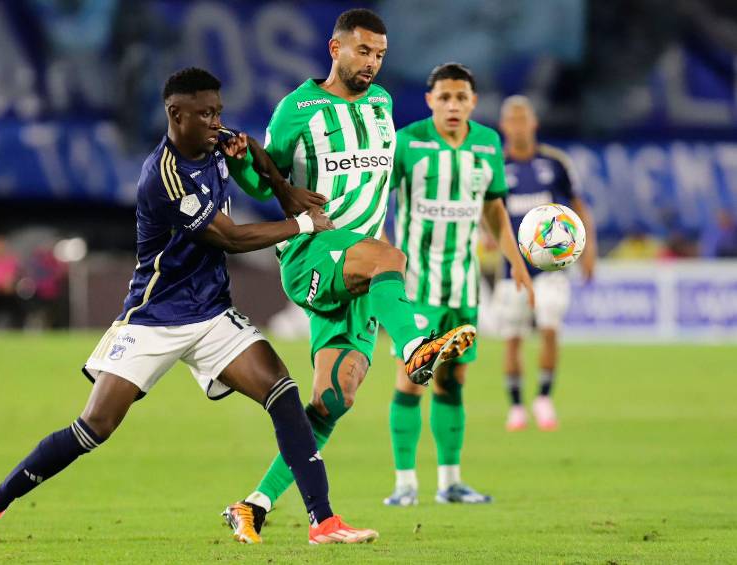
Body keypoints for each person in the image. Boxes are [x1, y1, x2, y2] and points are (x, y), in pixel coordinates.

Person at [0, 67, 377, 547]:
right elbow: (232, 238)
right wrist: (303, 224)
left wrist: (280, 188)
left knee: (282, 393)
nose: (216, 122)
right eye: (204, 114)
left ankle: (322, 521)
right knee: (94, 426)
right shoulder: (164, 176)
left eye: (218, 111)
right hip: (155, 318)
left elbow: (254, 150)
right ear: (176, 115)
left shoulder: (216, 140)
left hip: (214, 313)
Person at [223, 9, 477, 541]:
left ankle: (255, 504)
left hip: (359, 273)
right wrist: (243, 160)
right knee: (392, 257)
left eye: (381, 55)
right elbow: (265, 179)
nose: (373, 64)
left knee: (335, 398)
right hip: (313, 251)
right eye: (364, 52)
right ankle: (414, 347)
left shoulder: (382, 104)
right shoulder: (298, 109)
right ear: (335, 49)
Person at [383, 63, 534, 507]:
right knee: (413, 379)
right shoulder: (407, 143)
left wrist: (517, 262)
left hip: (463, 288)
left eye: (461, 97)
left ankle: (450, 482)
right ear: (430, 100)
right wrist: (385, 253)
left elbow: (494, 211)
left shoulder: (487, 145)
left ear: (473, 102)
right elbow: (376, 201)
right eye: (444, 97)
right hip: (417, 288)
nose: (453, 105)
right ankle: (405, 483)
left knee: (453, 381)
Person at [496, 95, 597, 431]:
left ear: (533, 123)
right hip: (510, 269)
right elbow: (486, 212)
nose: (519, 125)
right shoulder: (496, 166)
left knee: (550, 328)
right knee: (512, 337)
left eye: (524, 119)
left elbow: (579, 206)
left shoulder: (555, 163)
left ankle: (543, 397)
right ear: (504, 126)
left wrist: (589, 249)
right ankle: (515, 406)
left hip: (552, 269)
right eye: (513, 120)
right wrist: (485, 237)